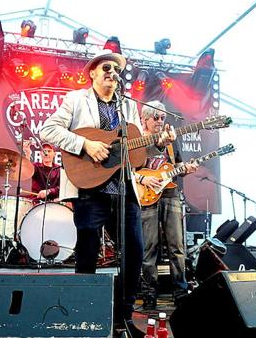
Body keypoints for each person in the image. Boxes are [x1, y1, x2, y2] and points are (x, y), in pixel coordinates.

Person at [40, 50, 174, 337]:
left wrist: (159, 144)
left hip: (124, 190)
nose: (112, 71)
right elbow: (48, 129)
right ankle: (83, 316)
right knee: (87, 252)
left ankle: (122, 319)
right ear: (92, 73)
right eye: (106, 67)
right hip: (89, 190)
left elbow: (134, 152)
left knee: (135, 253)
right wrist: (85, 145)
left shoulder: (127, 106)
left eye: (115, 68)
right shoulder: (76, 99)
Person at [136, 100, 198, 310]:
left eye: (163, 118)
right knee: (149, 247)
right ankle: (149, 293)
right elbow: (130, 169)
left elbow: (177, 164)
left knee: (177, 246)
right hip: (146, 196)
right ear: (145, 119)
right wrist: (143, 179)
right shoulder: (137, 140)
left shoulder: (171, 140)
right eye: (156, 118)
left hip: (170, 194)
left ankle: (180, 291)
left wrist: (186, 168)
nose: (160, 122)